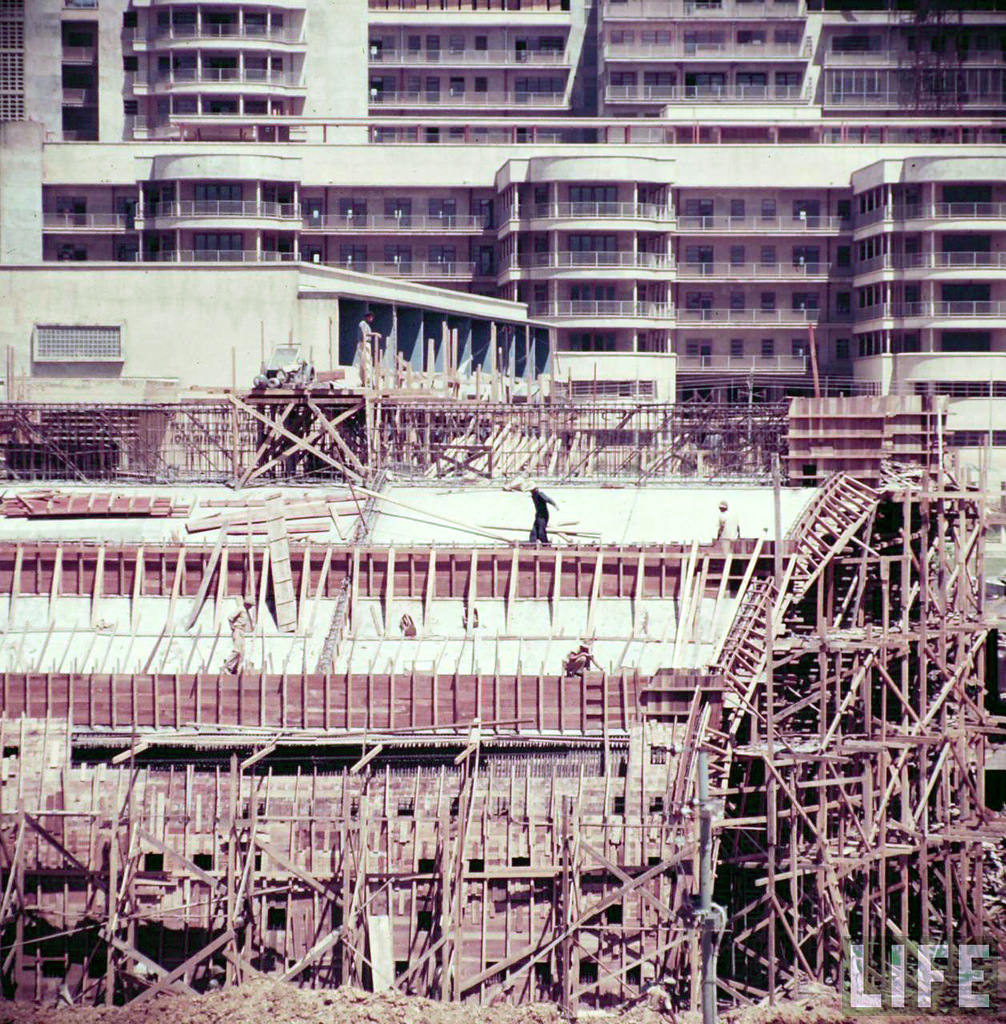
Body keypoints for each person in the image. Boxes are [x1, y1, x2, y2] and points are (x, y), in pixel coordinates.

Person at [358, 312, 379, 388]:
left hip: (367, 343)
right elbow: (365, 333)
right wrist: (375, 334)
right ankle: (367, 381)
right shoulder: (363, 323)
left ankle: (365, 381)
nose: (371, 319)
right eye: (370, 317)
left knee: (366, 362)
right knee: (365, 363)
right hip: (363, 343)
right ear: (367, 317)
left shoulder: (367, 325)